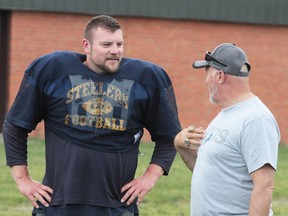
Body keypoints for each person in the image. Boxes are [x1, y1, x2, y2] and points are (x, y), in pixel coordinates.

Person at [3, 15, 181, 216]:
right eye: (106, 44)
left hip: (117, 206)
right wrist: (22, 179)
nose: (115, 50)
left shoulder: (147, 78)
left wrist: (151, 176)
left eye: (119, 44)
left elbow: (169, 136)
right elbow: (15, 125)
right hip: (58, 204)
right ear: (86, 46)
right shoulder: (52, 70)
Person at [174, 43, 280, 215]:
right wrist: (181, 147)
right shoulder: (226, 115)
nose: (205, 81)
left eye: (207, 73)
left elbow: (264, 186)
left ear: (220, 76)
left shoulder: (256, 119)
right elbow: (217, 175)